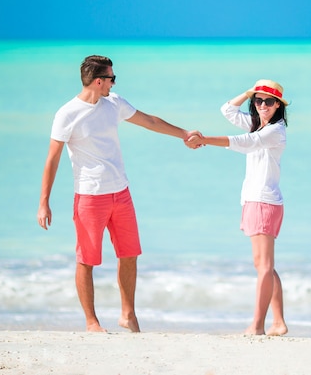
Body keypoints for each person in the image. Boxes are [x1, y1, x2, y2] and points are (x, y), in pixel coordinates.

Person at [37, 55, 201, 333]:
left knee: (129, 254)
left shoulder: (114, 103)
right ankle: (91, 322)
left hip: (121, 193)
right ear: (99, 81)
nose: (114, 83)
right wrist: (44, 202)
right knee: (87, 260)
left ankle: (128, 315)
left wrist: (184, 133)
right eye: (112, 78)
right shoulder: (67, 114)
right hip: (90, 197)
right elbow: (52, 158)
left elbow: (149, 121)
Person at [188, 79, 289, 336]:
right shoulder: (258, 123)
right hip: (255, 200)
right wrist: (248, 92)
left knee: (264, 266)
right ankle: (278, 322)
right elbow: (227, 110)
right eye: (259, 100)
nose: (263, 105)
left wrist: (205, 139)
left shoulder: (275, 131)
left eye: (268, 101)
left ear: (278, 105)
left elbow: (245, 143)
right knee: (265, 265)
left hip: (264, 201)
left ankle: (257, 325)